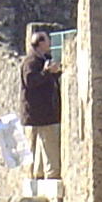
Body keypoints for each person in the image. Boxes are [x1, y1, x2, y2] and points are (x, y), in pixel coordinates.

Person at [21, 26, 63, 184]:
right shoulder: (31, 62)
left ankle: (39, 172)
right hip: (36, 112)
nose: (50, 43)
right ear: (40, 44)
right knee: (43, 143)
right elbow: (30, 82)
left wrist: (54, 72)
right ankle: (49, 173)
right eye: (47, 40)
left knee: (42, 143)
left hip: (43, 111)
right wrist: (46, 72)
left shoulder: (43, 59)